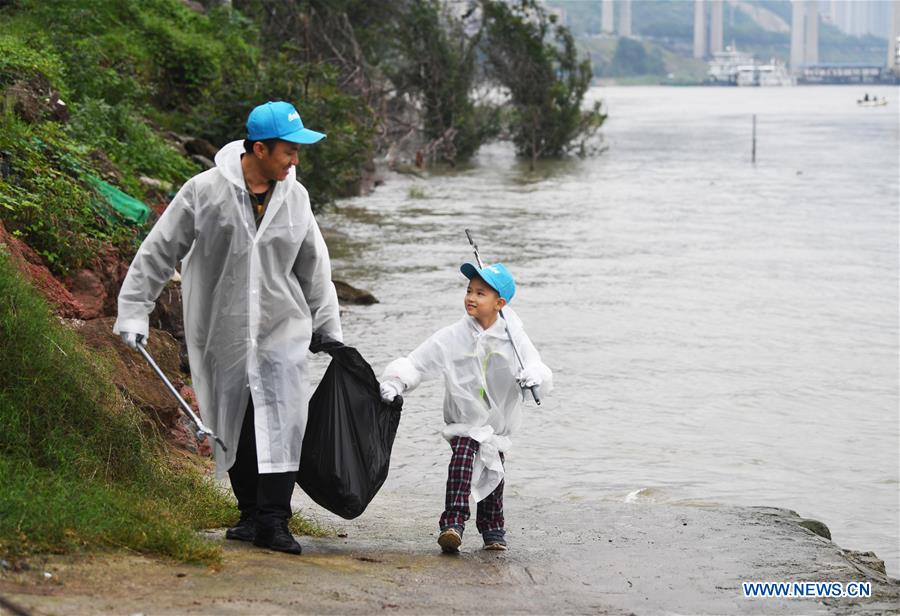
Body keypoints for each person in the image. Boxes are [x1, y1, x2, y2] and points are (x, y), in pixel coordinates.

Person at [114, 101, 342, 555]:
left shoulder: (295, 196)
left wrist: (328, 325)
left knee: (285, 417)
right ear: (259, 148)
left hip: (283, 326)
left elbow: (315, 265)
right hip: (223, 326)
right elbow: (159, 251)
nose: (295, 160)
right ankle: (249, 514)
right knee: (234, 417)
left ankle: (275, 520)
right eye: (288, 151)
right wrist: (134, 310)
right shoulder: (204, 191)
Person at [379, 262, 552, 553]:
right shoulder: (454, 335)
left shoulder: (514, 337)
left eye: (481, 293)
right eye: (469, 290)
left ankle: (493, 530)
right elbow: (419, 361)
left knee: (492, 475)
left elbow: (534, 366)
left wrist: (534, 377)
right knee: (462, 464)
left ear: (500, 303)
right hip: (464, 422)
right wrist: (397, 382)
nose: (471, 297)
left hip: (495, 427)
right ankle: (453, 525)